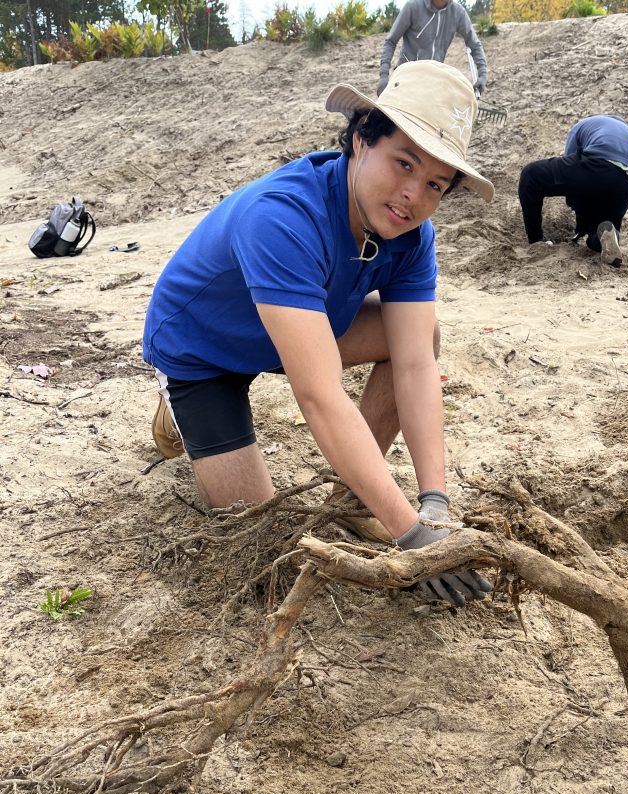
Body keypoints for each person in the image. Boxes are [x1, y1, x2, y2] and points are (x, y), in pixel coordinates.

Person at [143, 61, 494, 608]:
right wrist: (411, 536)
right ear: (361, 138)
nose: (411, 195)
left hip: (307, 327)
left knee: (420, 336)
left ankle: (354, 497)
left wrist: (434, 505)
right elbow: (320, 394)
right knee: (261, 543)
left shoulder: (412, 236)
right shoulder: (282, 216)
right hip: (204, 350)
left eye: (434, 184)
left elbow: (415, 363)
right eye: (403, 163)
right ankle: (177, 409)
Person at [517, 114, 628, 267]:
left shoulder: (581, 126)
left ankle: (536, 241)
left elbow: (572, 180)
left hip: (599, 162)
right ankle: (602, 237)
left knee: (531, 175)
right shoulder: (626, 131)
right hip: (627, 182)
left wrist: (578, 215)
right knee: (599, 228)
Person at [378, 0, 488, 98]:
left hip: (433, 79)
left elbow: (475, 45)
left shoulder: (458, 13)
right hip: (406, 76)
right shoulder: (413, 6)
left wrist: (483, 75)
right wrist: (384, 75)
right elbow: (390, 41)